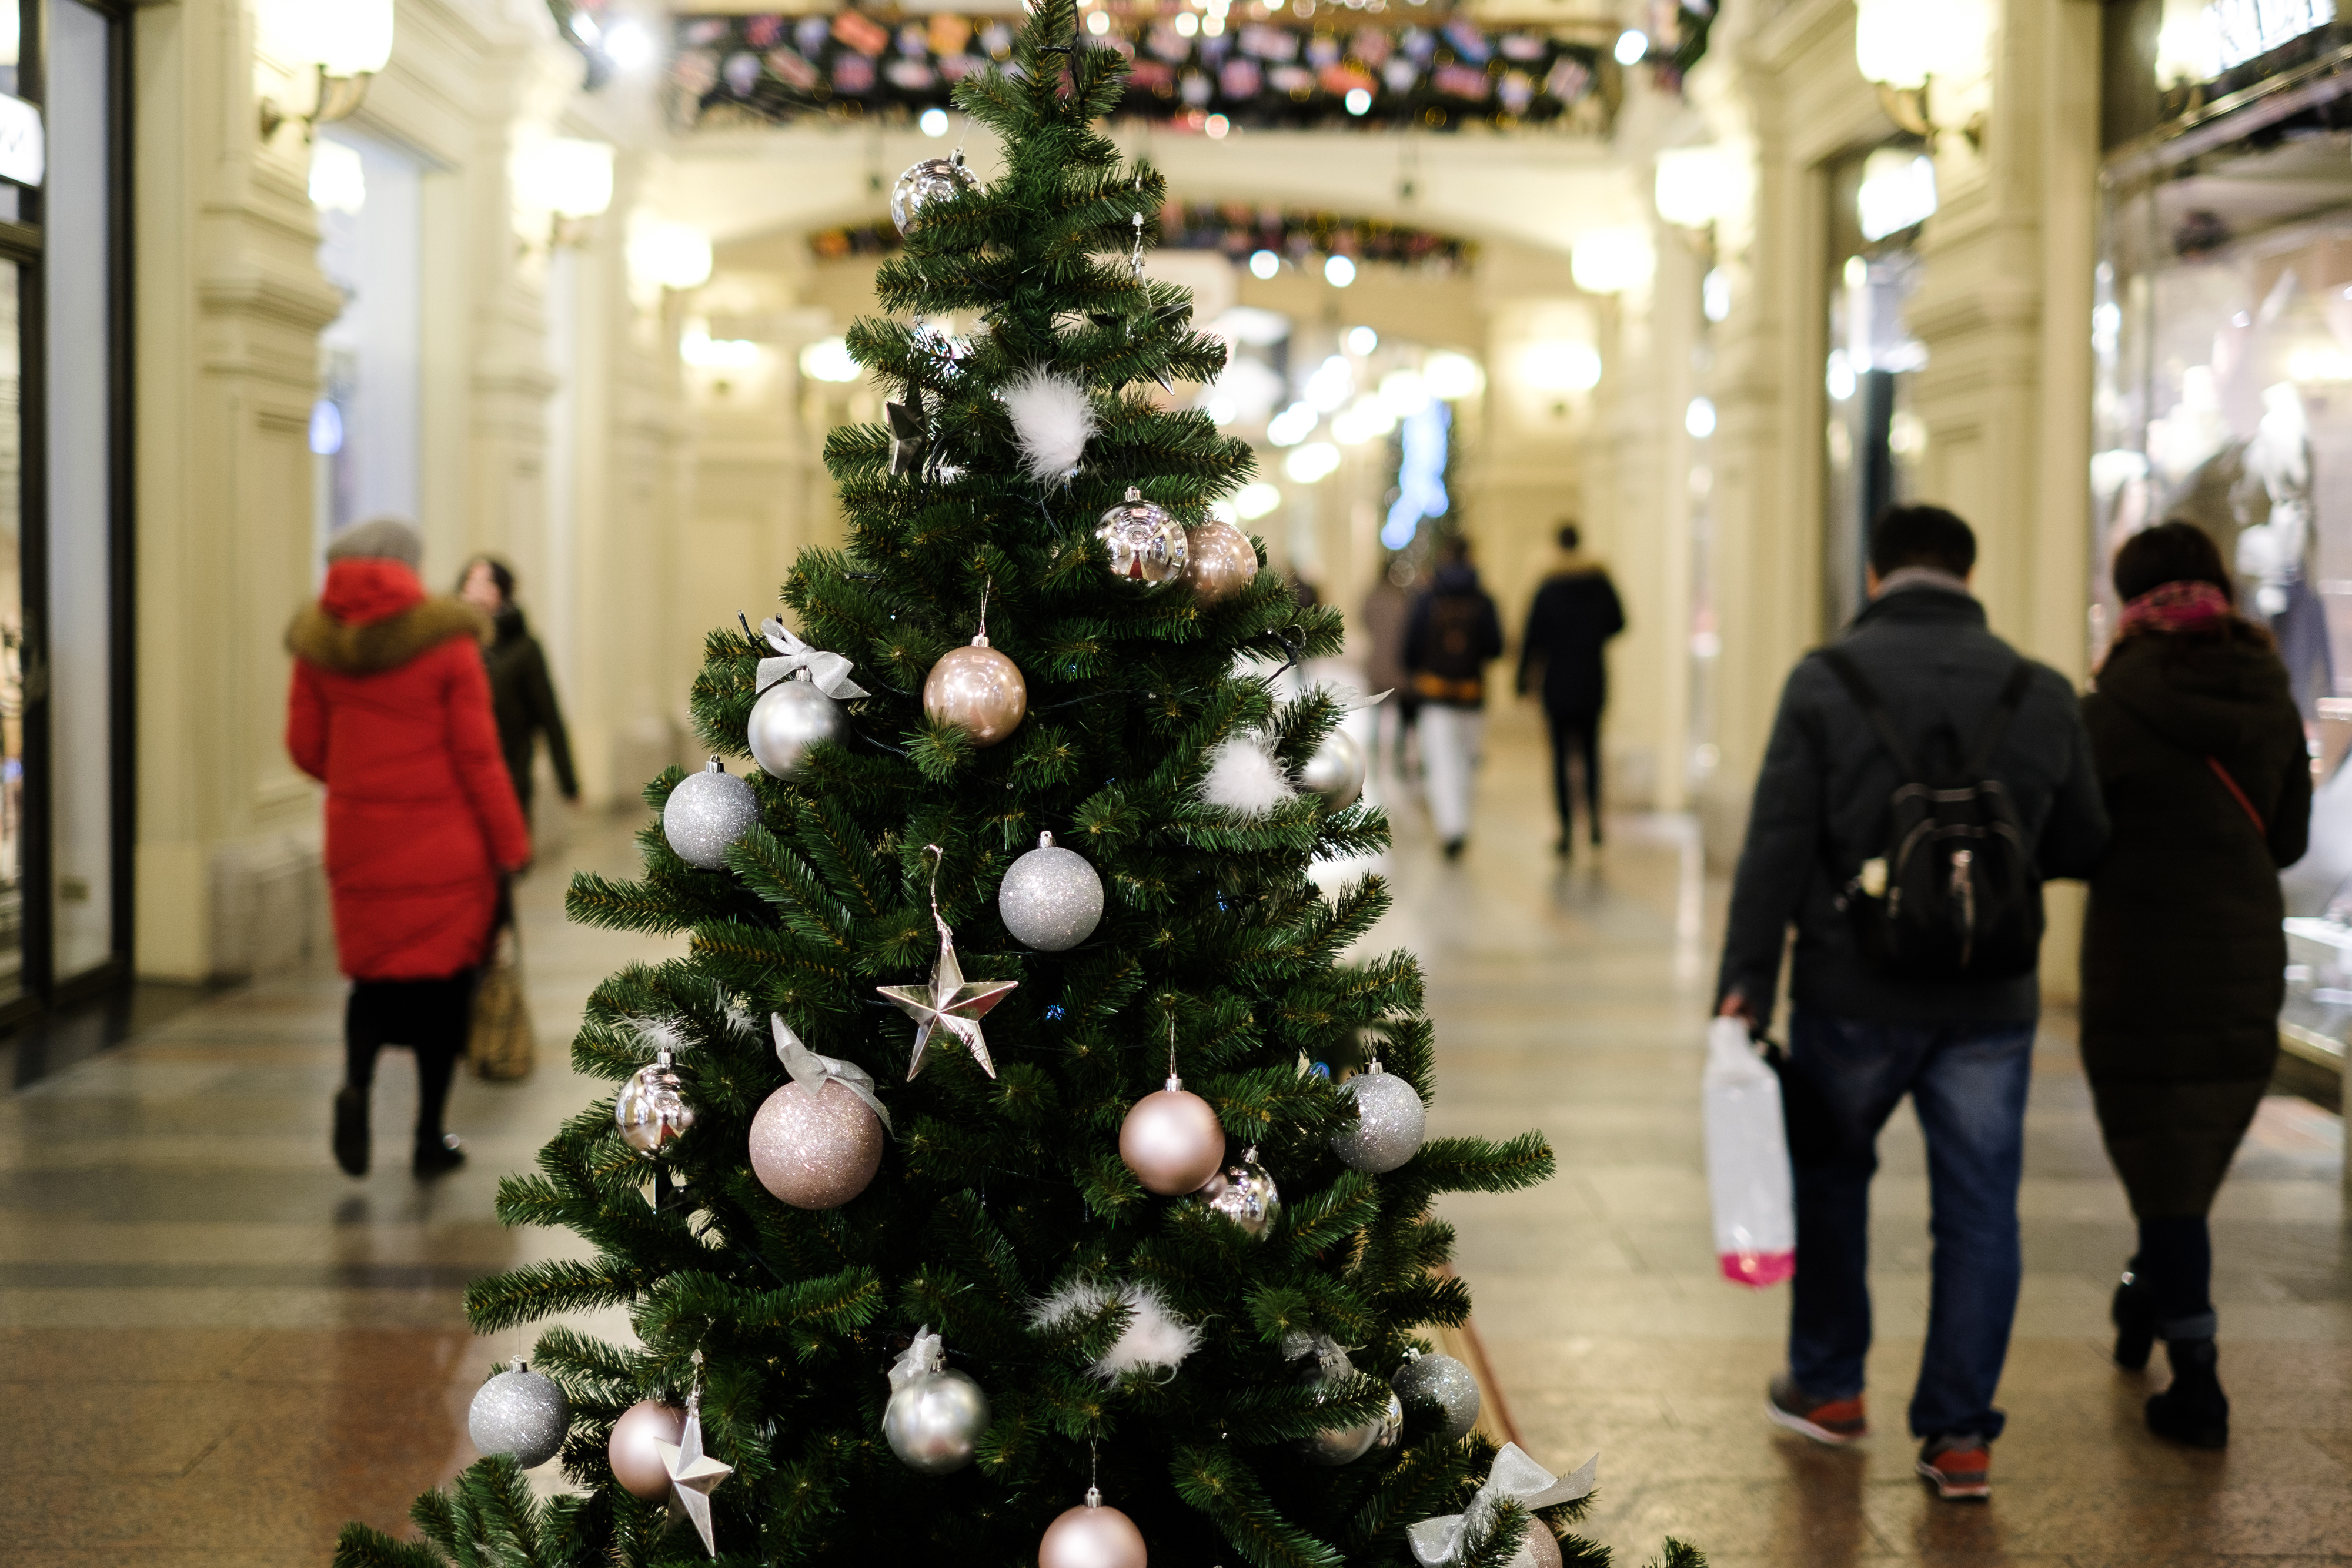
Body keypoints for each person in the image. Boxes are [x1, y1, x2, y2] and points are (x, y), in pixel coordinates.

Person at [1715, 504, 2109, 1502]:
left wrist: (1746, 985)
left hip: (1853, 985)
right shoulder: (2044, 689)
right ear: (1971, 576)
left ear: (1875, 573)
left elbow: (1778, 842)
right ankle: (1960, 1434)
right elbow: (2082, 843)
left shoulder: (1824, 679)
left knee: (1836, 1179)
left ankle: (1833, 1386)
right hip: (1994, 996)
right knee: (1980, 1210)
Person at [2080, 521, 2310, 1450]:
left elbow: (2079, 836)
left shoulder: (2108, 707)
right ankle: (2144, 1296)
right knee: (2182, 1156)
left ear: (2130, 598)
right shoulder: (2269, 691)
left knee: (2164, 1162)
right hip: (2244, 957)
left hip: (2139, 960)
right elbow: (2287, 838)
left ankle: (2201, 1381)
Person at [288, 518, 531, 1179]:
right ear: (408, 566)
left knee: (371, 980)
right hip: (445, 848)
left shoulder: (318, 643)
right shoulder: (448, 643)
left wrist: (360, 784)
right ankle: (427, 1136)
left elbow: (306, 748)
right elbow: (479, 757)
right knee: (443, 994)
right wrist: (511, 842)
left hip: (358, 842)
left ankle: (358, 1088)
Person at [1516, 523, 1626, 856]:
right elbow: (1620, 622)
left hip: (1558, 682)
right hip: (1592, 678)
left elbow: (1532, 637)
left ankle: (1565, 831)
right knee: (1591, 753)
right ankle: (1593, 822)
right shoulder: (1599, 581)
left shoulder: (1549, 586)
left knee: (1561, 757)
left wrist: (1523, 679)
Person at [458, 554, 579, 827]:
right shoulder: (454, 646)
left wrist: (568, 782)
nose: (475, 589)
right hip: (461, 779)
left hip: (509, 773)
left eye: (485, 581)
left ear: (502, 591)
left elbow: (549, 716)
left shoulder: (524, 648)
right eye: (470, 581)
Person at [1404, 534, 1504, 860]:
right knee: (1467, 761)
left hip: (1435, 695)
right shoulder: (1484, 598)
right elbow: (1495, 647)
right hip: (1471, 694)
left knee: (1441, 761)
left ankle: (1451, 828)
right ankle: (1462, 821)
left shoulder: (1427, 597)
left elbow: (1411, 647)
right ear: (1471, 557)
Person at [1360, 561, 1416, 775]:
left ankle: (1373, 755)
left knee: (1376, 711)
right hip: (1399, 664)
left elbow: (1363, 618)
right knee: (1401, 716)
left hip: (1377, 664)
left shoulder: (1372, 597)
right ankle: (1399, 757)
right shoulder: (1403, 598)